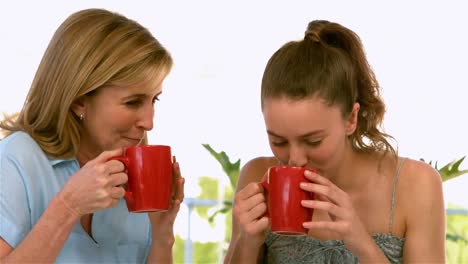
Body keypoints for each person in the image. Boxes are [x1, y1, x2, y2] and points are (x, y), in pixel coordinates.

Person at [225, 20, 445, 263]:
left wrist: (360, 242)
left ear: (351, 118)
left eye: (313, 141)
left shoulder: (416, 184)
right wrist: (246, 241)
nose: (295, 159)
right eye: (278, 141)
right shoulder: (256, 175)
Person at [0, 8, 184, 263]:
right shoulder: (17, 159)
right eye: (132, 102)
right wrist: (68, 206)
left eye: (155, 100)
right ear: (78, 101)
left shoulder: (134, 175)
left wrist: (163, 232)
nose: (149, 122)